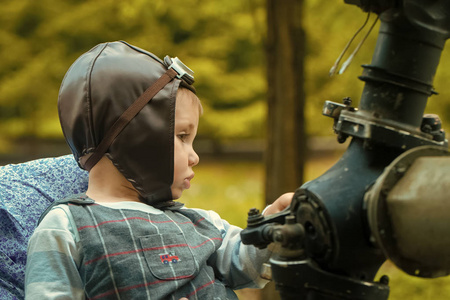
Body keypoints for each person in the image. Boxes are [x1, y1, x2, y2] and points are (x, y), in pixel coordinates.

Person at [24, 41, 293, 300]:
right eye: (183, 136)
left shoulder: (198, 222)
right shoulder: (65, 228)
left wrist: (275, 222)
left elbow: (245, 261)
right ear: (136, 138)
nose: (195, 157)